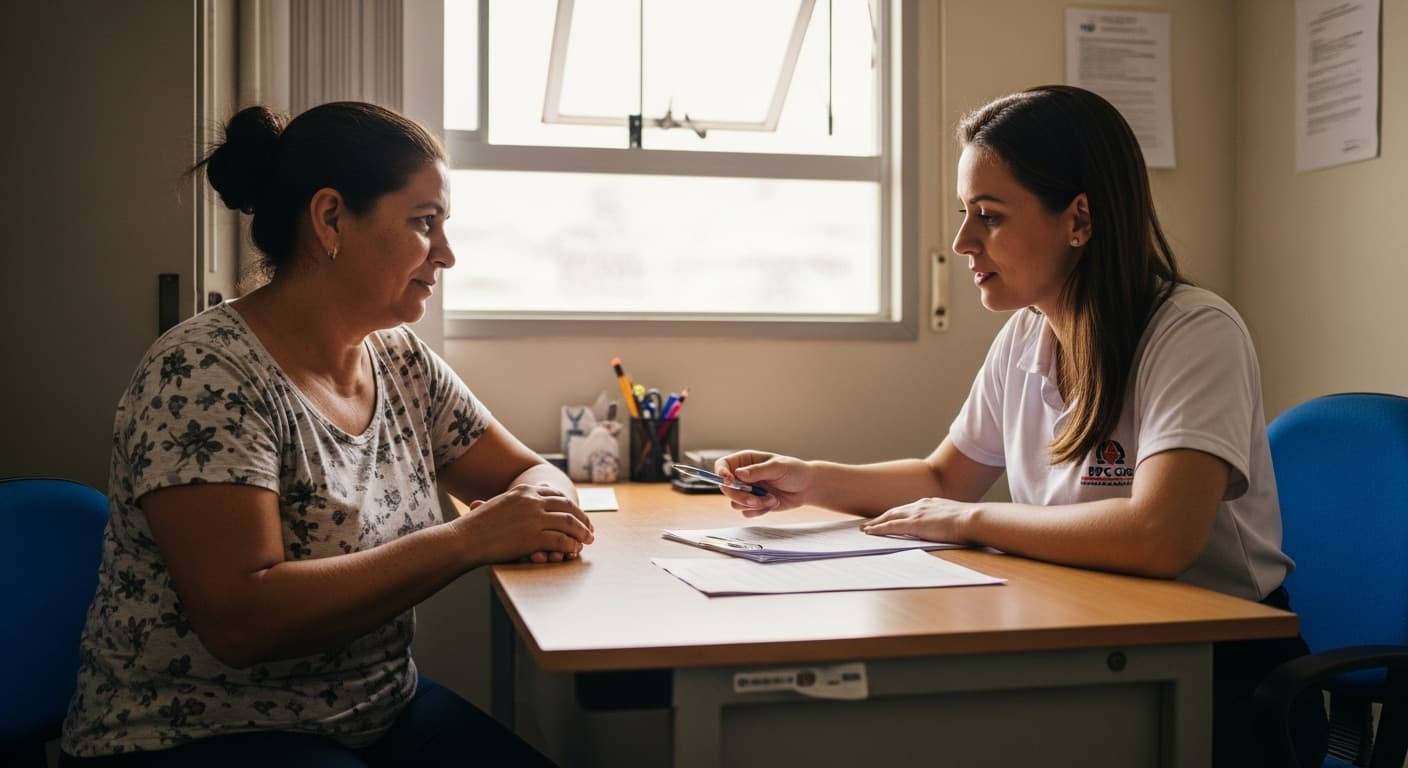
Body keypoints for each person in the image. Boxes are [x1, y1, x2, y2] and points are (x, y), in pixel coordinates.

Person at [714, 85, 1326, 768]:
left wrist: (970, 522)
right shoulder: (1026, 336)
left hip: (1220, 672)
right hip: (1088, 639)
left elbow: (1161, 537)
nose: (961, 241)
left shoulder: (1193, 333)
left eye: (990, 216)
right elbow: (946, 477)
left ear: (1080, 219)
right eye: (963, 213)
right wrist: (810, 480)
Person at [58, 101, 594, 766]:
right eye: (425, 224)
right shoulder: (203, 373)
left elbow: (528, 473)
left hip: (376, 710)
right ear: (331, 218)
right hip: (197, 735)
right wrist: (466, 540)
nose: (447, 255)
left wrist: (537, 510)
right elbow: (240, 620)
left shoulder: (400, 358)